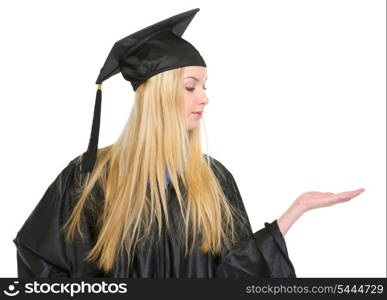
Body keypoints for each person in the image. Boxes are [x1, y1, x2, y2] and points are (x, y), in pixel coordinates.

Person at [13, 8, 365, 278]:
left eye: (205, 86)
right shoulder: (89, 177)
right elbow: (40, 264)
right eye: (191, 86)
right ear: (159, 96)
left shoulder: (213, 179)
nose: (204, 99)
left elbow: (232, 275)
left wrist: (295, 211)